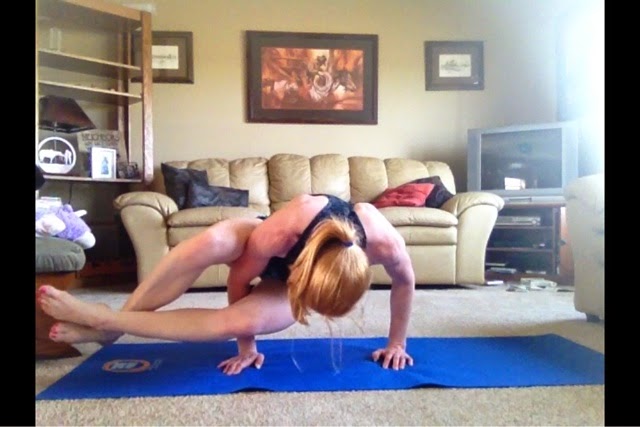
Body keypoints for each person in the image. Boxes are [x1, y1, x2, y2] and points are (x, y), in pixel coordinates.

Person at [38, 193, 416, 375]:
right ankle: (114, 326)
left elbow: (405, 282)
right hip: (264, 245)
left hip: (297, 271)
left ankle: (108, 322)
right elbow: (240, 278)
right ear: (305, 278)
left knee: (238, 320)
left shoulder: (386, 244)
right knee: (210, 242)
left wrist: (397, 342)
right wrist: (246, 346)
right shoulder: (285, 230)